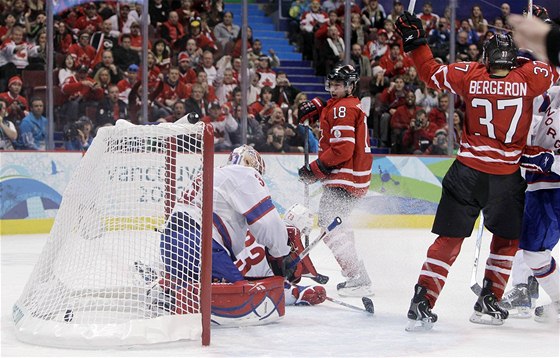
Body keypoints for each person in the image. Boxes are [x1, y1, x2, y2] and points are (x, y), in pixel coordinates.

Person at [395, 13, 557, 331]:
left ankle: (422, 300)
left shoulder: (469, 74)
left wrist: (415, 41)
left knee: (449, 239)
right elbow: (552, 64)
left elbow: (429, 72)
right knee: (507, 240)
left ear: (485, 57)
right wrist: (543, 32)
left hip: (466, 171)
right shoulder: (529, 77)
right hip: (505, 177)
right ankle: (489, 299)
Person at [142, 145, 325, 323]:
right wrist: (281, 253)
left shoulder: (215, 175)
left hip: (169, 245)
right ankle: (173, 300)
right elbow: (268, 223)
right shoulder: (246, 174)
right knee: (240, 296)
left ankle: (170, 292)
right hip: (201, 244)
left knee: (200, 288)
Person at [297, 64, 373, 296]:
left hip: (346, 178)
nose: (333, 89)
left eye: (339, 85)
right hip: (351, 177)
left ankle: (357, 276)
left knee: (330, 223)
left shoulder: (343, 109)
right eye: (331, 84)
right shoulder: (344, 105)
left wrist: (315, 169)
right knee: (337, 224)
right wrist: (320, 105)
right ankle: (356, 274)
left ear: (350, 86)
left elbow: (342, 150)